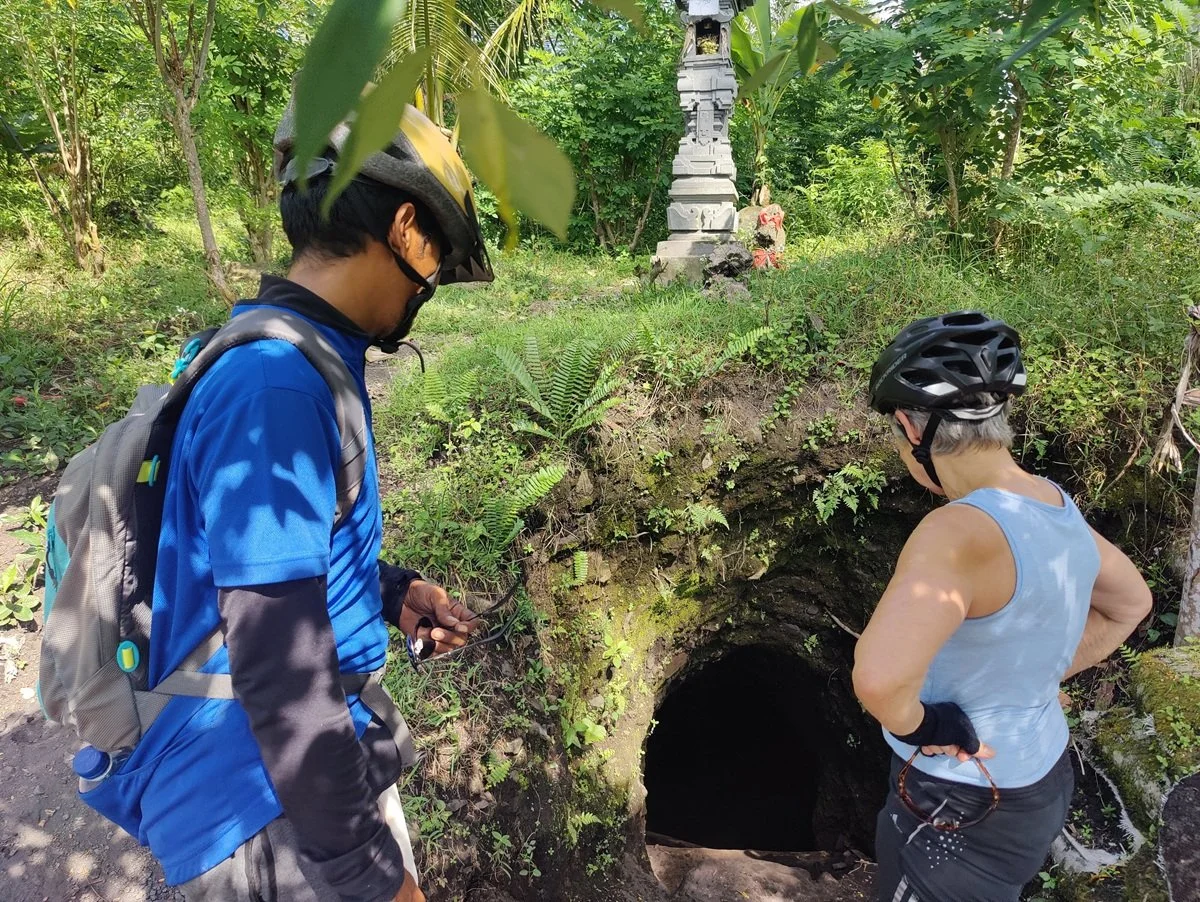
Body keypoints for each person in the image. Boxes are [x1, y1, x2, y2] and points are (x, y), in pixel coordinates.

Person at [79, 100, 495, 902]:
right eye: (438, 254)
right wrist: (369, 876)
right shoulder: (274, 384)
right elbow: (279, 668)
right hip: (262, 812)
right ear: (408, 230)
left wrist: (392, 592)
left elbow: (269, 559)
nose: (432, 283)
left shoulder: (287, 351)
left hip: (292, 786)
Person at [853, 312, 1152, 902]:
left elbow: (879, 681)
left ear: (912, 428)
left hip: (956, 801)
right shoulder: (1054, 504)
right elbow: (1131, 603)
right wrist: (1036, 677)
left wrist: (929, 725)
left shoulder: (955, 533)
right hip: (1039, 782)